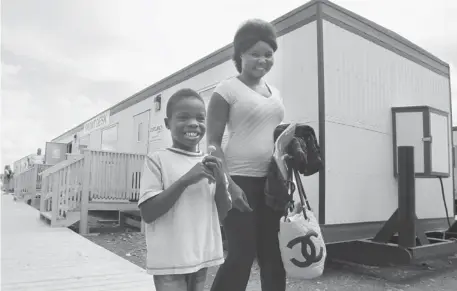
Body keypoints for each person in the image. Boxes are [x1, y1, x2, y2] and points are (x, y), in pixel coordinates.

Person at [207, 19, 286, 291]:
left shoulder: (275, 94)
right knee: (242, 255)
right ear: (240, 55)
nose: (262, 60)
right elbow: (213, 143)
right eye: (255, 53)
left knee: (273, 255)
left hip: (271, 184)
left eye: (268, 53)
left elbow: (273, 136)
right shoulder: (226, 90)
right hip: (238, 180)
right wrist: (228, 184)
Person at [138, 88, 231, 291]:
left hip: (201, 257)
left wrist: (221, 182)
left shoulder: (209, 163)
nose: (193, 123)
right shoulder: (157, 160)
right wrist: (186, 180)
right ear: (167, 124)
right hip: (169, 262)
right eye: (183, 117)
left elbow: (222, 213)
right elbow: (148, 213)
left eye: (200, 118)